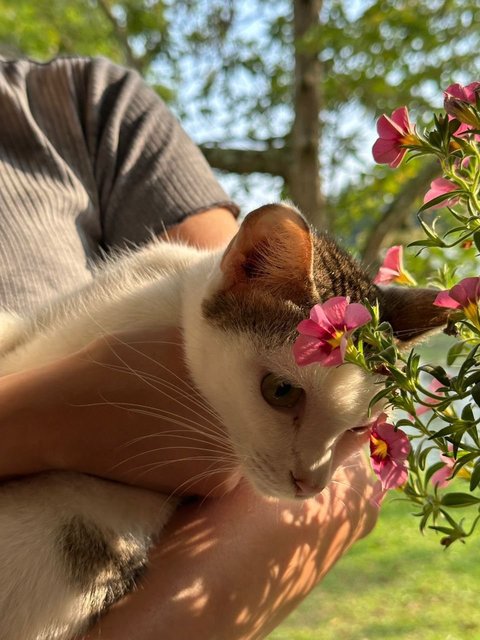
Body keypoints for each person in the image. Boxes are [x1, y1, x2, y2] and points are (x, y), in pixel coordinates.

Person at [0, 56, 379, 639]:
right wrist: (51, 419)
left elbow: (357, 484)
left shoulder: (83, 100)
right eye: (281, 390)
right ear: (247, 268)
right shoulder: (178, 285)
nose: (313, 479)